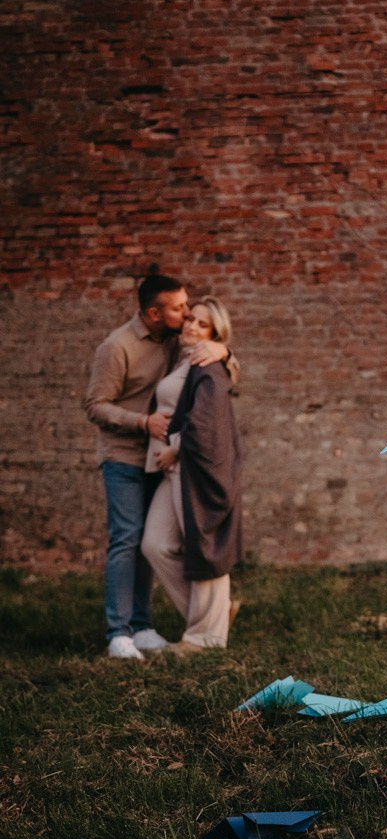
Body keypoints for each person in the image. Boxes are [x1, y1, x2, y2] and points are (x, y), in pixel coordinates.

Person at [84, 273, 234, 660]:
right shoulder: (117, 347)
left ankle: (143, 625)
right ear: (155, 313)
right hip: (124, 455)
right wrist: (141, 423)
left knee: (155, 542)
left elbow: (212, 379)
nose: (186, 316)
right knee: (128, 539)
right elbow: (95, 405)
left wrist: (224, 352)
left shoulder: (177, 342)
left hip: (161, 459)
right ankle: (118, 632)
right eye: (180, 309)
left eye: (190, 310)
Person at [141, 298, 243, 654]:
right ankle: (212, 617)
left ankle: (204, 638)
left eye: (202, 325)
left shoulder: (207, 363)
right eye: (190, 320)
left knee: (205, 544)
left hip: (191, 466)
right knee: (155, 544)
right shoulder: (185, 356)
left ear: (214, 333)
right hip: (171, 469)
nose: (191, 327)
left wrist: (176, 446)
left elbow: (206, 419)